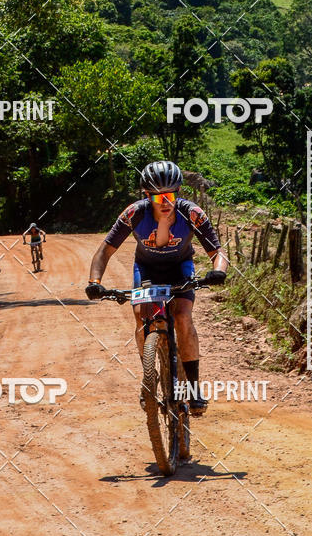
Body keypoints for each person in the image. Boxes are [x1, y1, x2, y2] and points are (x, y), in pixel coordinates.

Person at [85, 160, 228, 416]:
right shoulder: (134, 213)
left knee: (182, 316)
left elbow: (217, 252)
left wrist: (218, 270)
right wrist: (94, 282)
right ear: (146, 195)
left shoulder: (192, 213)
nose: (164, 202)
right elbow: (105, 250)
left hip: (180, 267)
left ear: (178, 193)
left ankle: (193, 388)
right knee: (141, 317)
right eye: (157, 196)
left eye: (170, 196)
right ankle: (149, 378)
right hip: (147, 269)